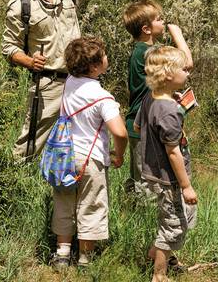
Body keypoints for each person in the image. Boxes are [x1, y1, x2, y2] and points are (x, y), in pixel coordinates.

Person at [2, 0, 163, 160]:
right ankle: (11, 187)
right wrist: (27, 61)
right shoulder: (20, 5)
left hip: (82, 81)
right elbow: (9, 47)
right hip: (49, 85)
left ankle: (76, 184)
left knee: (84, 142)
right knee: (28, 146)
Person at [50, 37, 128, 270]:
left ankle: (62, 253)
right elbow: (120, 132)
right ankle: (85, 258)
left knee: (64, 201)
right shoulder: (103, 97)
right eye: (103, 55)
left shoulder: (70, 82)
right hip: (90, 159)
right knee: (91, 204)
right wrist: (120, 154)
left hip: (64, 154)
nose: (107, 57)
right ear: (95, 67)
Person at [133, 46, 198, 282]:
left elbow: (138, 127)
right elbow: (173, 153)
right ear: (169, 75)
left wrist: (174, 104)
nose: (187, 73)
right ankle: (159, 275)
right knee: (172, 227)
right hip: (169, 178)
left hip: (153, 173)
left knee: (177, 217)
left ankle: (159, 255)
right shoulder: (169, 111)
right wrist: (186, 185)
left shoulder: (151, 98)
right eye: (183, 69)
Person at [122, 0, 192, 196]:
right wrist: (177, 33)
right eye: (159, 20)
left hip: (144, 122)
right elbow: (186, 63)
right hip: (144, 125)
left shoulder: (142, 51)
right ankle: (143, 216)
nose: (163, 22)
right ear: (146, 28)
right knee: (146, 181)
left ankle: (138, 211)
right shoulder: (146, 52)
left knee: (143, 178)